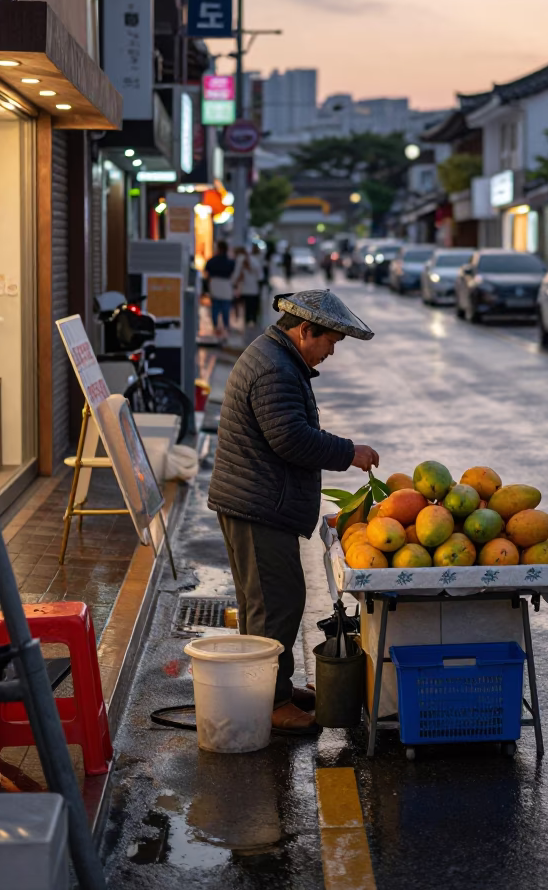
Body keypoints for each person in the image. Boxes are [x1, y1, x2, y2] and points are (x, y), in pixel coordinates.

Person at [208, 289, 379, 734]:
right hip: (257, 506)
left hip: (257, 502)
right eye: (330, 342)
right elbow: (291, 439)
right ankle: (270, 703)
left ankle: (274, 687)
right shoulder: (274, 368)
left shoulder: (279, 357)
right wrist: (349, 452)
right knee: (275, 606)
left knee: (266, 604)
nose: (331, 351)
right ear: (306, 331)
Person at [204, 240, 235, 337]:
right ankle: (226, 326)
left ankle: (215, 326)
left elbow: (207, 273)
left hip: (214, 284)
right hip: (226, 285)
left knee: (215, 307)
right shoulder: (230, 262)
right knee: (225, 307)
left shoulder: (211, 260)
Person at [236, 244, 265, 328]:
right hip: (254, 288)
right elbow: (260, 276)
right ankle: (253, 320)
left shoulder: (241, 261)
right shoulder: (255, 261)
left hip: (245, 288)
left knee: (246, 305)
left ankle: (247, 320)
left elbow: (237, 274)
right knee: (253, 305)